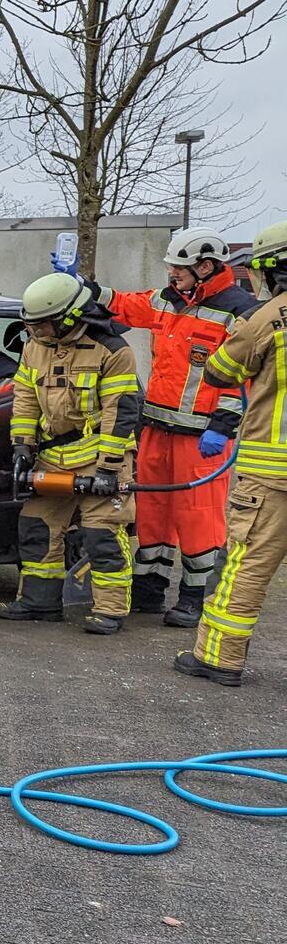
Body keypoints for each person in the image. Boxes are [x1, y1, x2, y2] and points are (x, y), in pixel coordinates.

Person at [95, 229, 258, 628]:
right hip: (156, 428)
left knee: (199, 516)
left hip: (203, 436)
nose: (172, 273)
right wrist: (84, 287)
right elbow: (124, 305)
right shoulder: (167, 300)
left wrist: (221, 426)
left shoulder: (240, 312)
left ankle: (194, 597)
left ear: (205, 267)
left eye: (179, 268)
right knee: (151, 511)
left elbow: (243, 376)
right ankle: (150, 589)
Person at [176, 219, 287, 687]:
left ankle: (218, 658)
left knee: (244, 566)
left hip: (272, 474)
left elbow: (220, 371)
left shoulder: (268, 318)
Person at [0, 272, 141, 633]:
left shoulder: (113, 351)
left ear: (68, 318)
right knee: (37, 526)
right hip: (54, 456)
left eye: (42, 326)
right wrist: (22, 445)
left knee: (102, 534)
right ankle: (39, 603)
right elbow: (26, 399)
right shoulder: (35, 348)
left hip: (100, 456)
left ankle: (110, 611)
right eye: (32, 327)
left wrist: (108, 469)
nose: (36, 334)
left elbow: (119, 411)